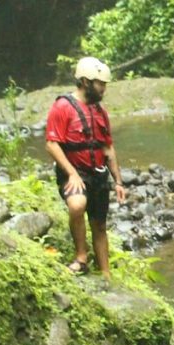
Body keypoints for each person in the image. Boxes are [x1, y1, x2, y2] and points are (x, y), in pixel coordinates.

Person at [45, 56, 126, 278]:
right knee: (77, 205)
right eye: (100, 84)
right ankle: (81, 257)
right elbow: (52, 144)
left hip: (98, 174)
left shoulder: (100, 112)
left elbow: (108, 149)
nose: (104, 89)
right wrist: (72, 174)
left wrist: (118, 182)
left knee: (99, 225)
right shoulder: (62, 107)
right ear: (85, 82)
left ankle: (106, 274)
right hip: (74, 172)